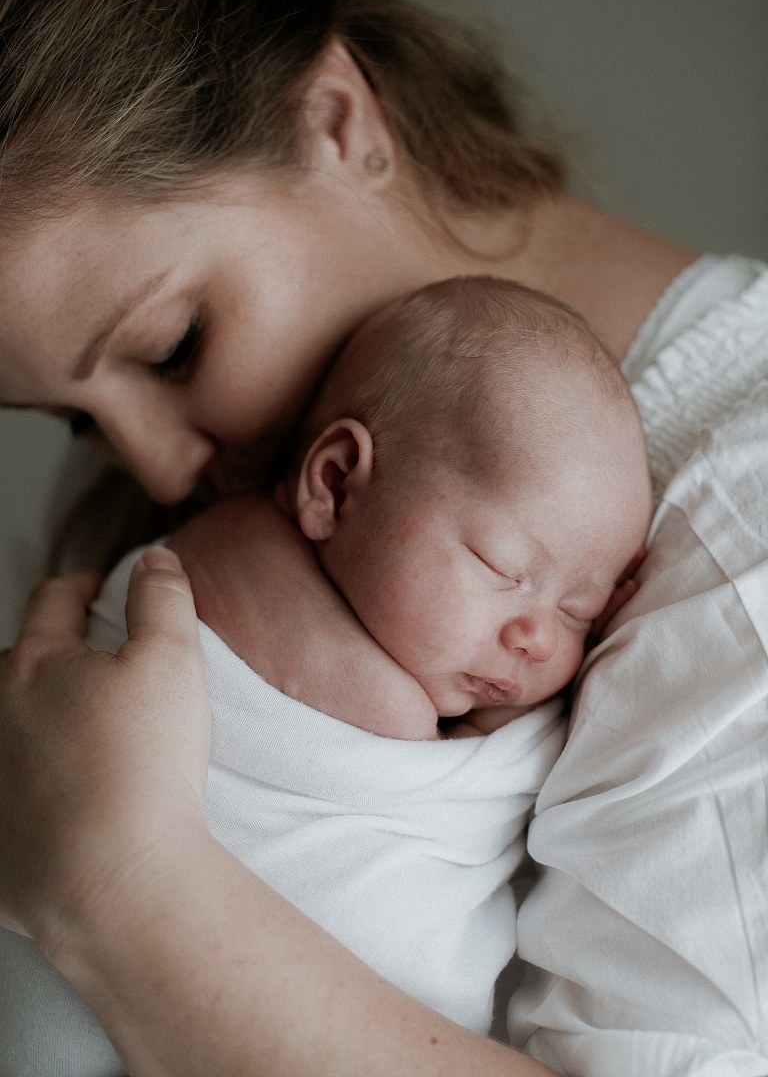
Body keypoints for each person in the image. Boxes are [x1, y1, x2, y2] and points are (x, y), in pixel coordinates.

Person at [0, 0, 765, 1076]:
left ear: (338, 123)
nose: (153, 470)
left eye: (171, 347)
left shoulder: (739, 530)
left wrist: (123, 890)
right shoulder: (252, 544)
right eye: (79, 419)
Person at [65, 276, 648, 1049]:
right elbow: (428, 746)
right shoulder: (219, 573)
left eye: (582, 613)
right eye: (503, 567)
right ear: (337, 485)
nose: (537, 639)